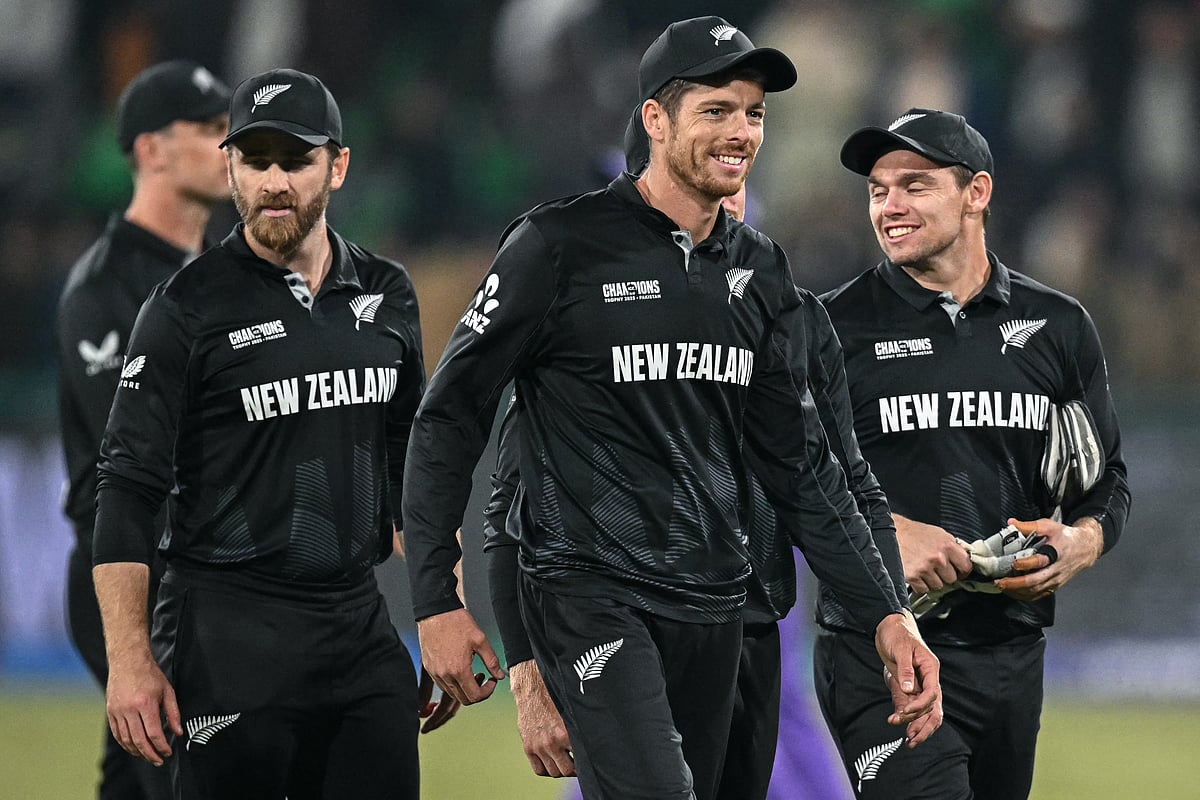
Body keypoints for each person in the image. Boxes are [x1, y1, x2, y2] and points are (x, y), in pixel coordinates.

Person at [402, 16, 941, 800]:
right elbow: (450, 418)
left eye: (754, 113)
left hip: (719, 612)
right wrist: (437, 603)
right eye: (716, 110)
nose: (741, 132)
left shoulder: (759, 276)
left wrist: (886, 614)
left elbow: (803, 469)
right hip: (593, 600)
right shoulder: (559, 249)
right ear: (656, 119)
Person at [484, 105, 870, 800]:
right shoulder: (575, 319)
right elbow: (511, 502)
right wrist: (526, 664)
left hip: (748, 581)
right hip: (625, 579)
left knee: (765, 719)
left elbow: (825, 473)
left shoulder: (773, 304)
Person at [90, 68, 447, 799]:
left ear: (338, 165)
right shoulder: (184, 310)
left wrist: (442, 604)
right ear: (230, 167)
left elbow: (410, 463)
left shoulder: (388, 295)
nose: (274, 181)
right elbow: (126, 489)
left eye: (296, 159)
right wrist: (129, 661)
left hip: (357, 626)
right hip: (227, 636)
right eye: (255, 162)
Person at [815, 108, 1131, 799]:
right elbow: (786, 481)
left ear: (976, 193)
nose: (889, 206)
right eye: (877, 190)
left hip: (1013, 651)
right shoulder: (831, 330)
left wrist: (1083, 541)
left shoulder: (1059, 327)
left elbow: (1106, 480)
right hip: (881, 650)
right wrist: (889, 531)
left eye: (914, 186)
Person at [56, 59, 231, 800]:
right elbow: (134, 462)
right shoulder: (103, 290)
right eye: (210, 129)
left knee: (133, 786)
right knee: (195, 778)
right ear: (151, 150)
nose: (231, 146)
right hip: (130, 578)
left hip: (198, 578)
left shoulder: (221, 275)